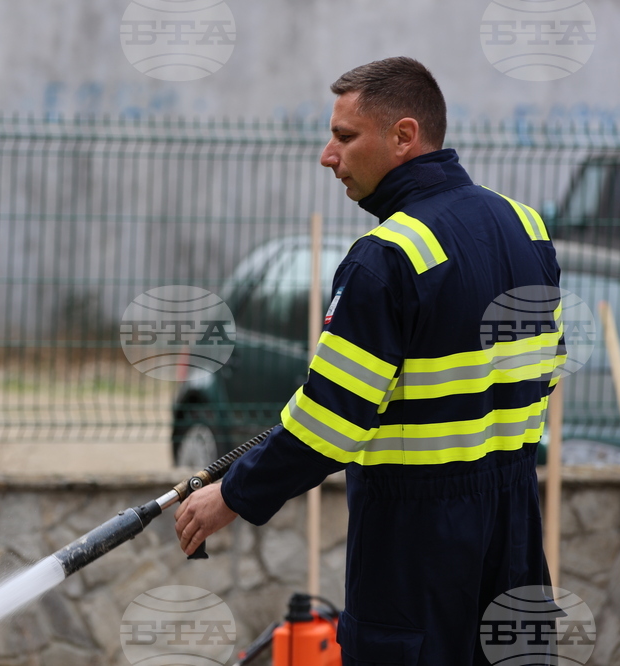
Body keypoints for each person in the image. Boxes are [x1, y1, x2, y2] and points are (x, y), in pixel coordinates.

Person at [174, 56, 564, 665]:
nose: (329, 155)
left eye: (345, 136)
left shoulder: (386, 257)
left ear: (404, 136)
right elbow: (542, 376)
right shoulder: (528, 228)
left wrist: (232, 495)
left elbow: (330, 423)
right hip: (514, 536)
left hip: (417, 547)